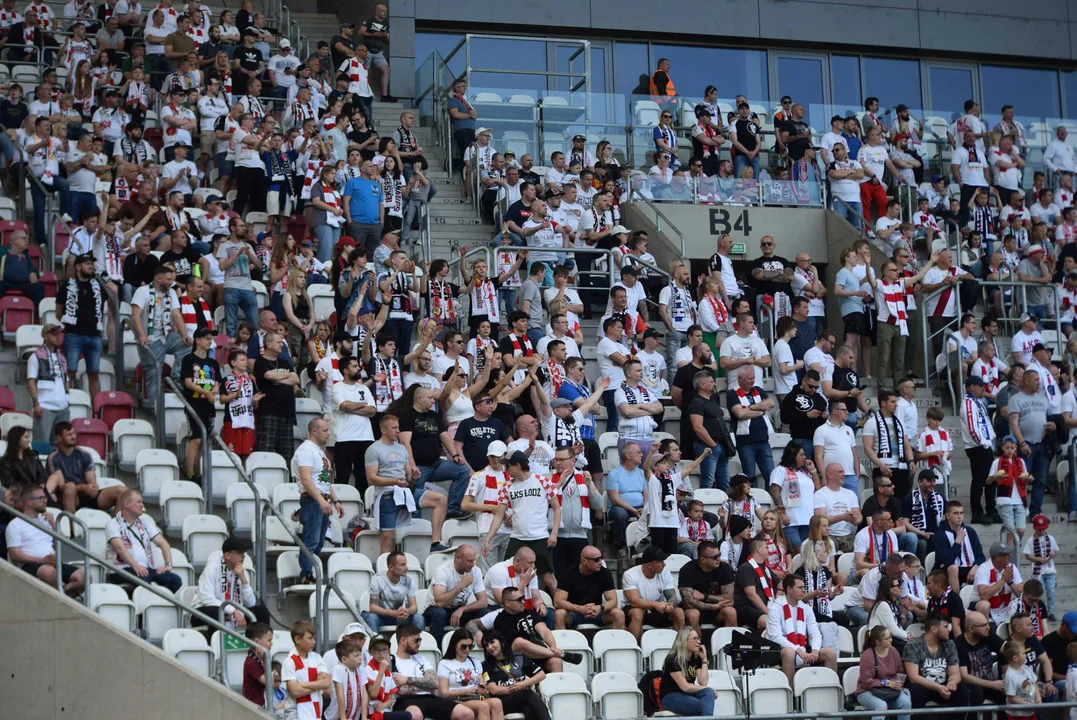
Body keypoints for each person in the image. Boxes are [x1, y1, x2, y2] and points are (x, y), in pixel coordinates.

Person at [366, 414, 450, 555]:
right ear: (383, 430)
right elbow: (371, 479)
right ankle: (384, 570)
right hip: (387, 494)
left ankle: (435, 543)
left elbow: (409, 477)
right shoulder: (374, 449)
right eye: (394, 428)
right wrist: (393, 482)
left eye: (398, 427)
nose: (398, 431)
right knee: (387, 538)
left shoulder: (401, 448)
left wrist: (413, 476)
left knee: (440, 499)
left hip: (404, 491)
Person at [482, 451, 560, 595]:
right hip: (517, 538)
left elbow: (556, 508)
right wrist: (488, 539)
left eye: (508, 466)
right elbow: (499, 515)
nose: (506, 469)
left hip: (540, 538)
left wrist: (554, 533)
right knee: (509, 575)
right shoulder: (507, 487)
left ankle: (563, 608)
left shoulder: (543, 481)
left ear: (518, 465)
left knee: (549, 578)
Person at [5, 485, 86, 595]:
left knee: (84, 576)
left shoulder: (47, 521)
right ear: (29, 502)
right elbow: (14, 554)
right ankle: (62, 596)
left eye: (45, 498)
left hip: (53, 562)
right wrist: (40, 560)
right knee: (48, 572)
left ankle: (64, 594)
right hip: (30, 565)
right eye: (41, 498)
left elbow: (65, 547)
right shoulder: (15, 524)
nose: (45, 501)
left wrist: (53, 525)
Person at [291, 418, 344, 584]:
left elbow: (324, 482)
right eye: (325, 430)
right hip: (313, 500)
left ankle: (309, 572)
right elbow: (306, 480)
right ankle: (306, 574)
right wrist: (321, 501)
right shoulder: (306, 450)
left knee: (319, 541)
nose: (328, 434)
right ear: (314, 431)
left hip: (321, 499)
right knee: (311, 540)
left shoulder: (318, 452)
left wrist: (336, 501)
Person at [104, 488, 182, 592]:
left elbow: (163, 543)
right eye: (139, 502)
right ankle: (148, 603)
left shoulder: (145, 523)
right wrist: (136, 566)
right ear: (127, 504)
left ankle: (156, 602)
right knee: (144, 578)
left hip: (144, 569)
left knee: (175, 580)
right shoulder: (113, 524)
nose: (142, 505)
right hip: (120, 570)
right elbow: (119, 548)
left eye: (142, 502)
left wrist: (168, 565)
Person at [132, 263, 189, 402]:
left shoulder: (171, 293)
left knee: (188, 346)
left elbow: (176, 314)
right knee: (154, 372)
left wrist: (184, 335)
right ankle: (155, 408)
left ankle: (176, 378)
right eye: (169, 279)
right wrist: (142, 336)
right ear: (159, 279)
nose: (172, 282)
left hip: (166, 335)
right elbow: (135, 315)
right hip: (150, 339)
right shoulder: (143, 291)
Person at [391, 625, 472, 720]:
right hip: (405, 700)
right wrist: (425, 684)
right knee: (415, 715)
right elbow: (401, 690)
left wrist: (407, 680)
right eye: (416, 640)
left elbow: (435, 683)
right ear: (403, 641)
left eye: (420, 640)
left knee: (467, 713)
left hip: (430, 698)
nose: (419, 643)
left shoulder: (422, 659)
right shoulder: (392, 660)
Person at [193, 535, 271, 626]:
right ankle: (217, 640)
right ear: (227, 555)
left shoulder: (242, 571)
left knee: (261, 612)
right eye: (240, 553)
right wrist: (232, 610)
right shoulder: (212, 567)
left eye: (244, 554)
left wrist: (244, 581)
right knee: (218, 612)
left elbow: (251, 603)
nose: (243, 557)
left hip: (232, 610)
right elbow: (206, 599)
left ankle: (258, 640)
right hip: (202, 611)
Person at [50, 421, 124, 514]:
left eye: (74, 433)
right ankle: (71, 527)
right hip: (69, 497)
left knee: (122, 491)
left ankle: (115, 526)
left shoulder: (85, 454)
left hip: (87, 494)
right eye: (69, 434)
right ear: (59, 438)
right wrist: (82, 488)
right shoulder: (54, 458)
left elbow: (92, 482)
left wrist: (93, 488)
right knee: (70, 487)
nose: (73, 437)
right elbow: (61, 487)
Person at [901, 613, 970, 711]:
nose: (949, 630)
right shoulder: (913, 645)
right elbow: (913, 677)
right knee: (916, 691)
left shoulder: (949, 644)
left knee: (962, 690)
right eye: (945, 627)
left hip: (943, 686)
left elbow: (955, 673)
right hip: (923, 687)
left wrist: (952, 682)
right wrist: (937, 687)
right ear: (934, 629)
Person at [479, 630, 551, 720]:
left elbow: (541, 674)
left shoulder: (518, 657)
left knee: (529, 709)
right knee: (528, 694)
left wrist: (524, 684)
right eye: (486, 645)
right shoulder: (485, 665)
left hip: (523, 699)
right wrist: (516, 688)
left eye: (492, 642)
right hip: (502, 702)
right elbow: (494, 690)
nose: (490, 647)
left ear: (501, 641)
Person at [425, 544, 489, 642]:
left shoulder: (476, 571)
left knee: (485, 613)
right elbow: (439, 603)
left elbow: (483, 602)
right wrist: (461, 586)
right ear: (458, 558)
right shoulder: (443, 571)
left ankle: (485, 647)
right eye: (469, 561)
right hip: (436, 609)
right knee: (439, 614)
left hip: (459, 610)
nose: (473, 564)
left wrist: (462, 609)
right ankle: (438, 649)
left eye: (474, 560)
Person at [623, 545, 685, 641]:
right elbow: (634, 601)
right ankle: (635, 649)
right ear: (649, 565)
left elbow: (672, 596)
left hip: (658, 608)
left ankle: (676, 649)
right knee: (637, 613)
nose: (664, 565)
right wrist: (655, 604)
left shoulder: (665, 573)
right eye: (660, 562)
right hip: (636, 608)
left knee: (679, 612)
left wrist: (671, 605)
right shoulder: (630, 574)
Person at [727, 366, 777, 482]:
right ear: (740, 379)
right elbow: (740, 414)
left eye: (753, 378)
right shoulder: (732, 394)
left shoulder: (758, 390)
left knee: (770, 475)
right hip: (745, 442)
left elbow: (771, 403)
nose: (752, 381)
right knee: (749, 477)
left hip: (763, 440)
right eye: (749, 378)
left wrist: (750, 407)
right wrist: (761, 411)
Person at [769, 442, 820, 549]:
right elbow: (775, 491)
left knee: (807, 551)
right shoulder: (780, 470)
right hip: (790, 520)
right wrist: (781, 513)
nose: (804, 457)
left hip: (807, 520)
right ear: (793, 455)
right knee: (796, 549)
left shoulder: (805, 473)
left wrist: (813, 470)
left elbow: (818, 489)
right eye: (801, 455)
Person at [26, 323, 70, 445]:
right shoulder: (35, 357)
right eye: (53, 334)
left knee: (62, 446)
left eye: (59, 334)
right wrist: (36, 404)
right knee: (42, 444)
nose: (57, 337)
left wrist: (67, 399)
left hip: (63, 407)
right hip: (45, 406)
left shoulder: (61, 358)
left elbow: (66, 380)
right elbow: (31, 381)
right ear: (45, 337)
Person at [857, 625, 912, 720]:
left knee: (906, 703)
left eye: (891, 637)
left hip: (890, 691)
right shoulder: (867, 656)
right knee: (881, 705)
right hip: (867, 691)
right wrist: (887, 683)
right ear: (878, 642)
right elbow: (866, 682)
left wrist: (897, 683)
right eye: (887, 638)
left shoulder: (893, 651)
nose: (891, 640)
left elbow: (899, 673)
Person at [658, 627, 717, 716]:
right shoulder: (672, 659)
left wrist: (704, 659)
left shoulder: (696, 658)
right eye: (695, 639)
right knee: (700, 705)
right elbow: (685, 687)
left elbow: (703, 682)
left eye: (698, 638)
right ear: (684, 642)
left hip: (688, 695)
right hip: (671, 697)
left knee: (707, 692)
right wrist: (710, 689)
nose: (699, 642)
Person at [364, 550, 424, 633]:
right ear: (391, 567)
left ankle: (418, 643)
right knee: (371, 617)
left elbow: (414, 607)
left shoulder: (408, 581)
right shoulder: (377, 579)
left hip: (398, 617)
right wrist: (393, 613)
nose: (407, 567)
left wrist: (405, 611)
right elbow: (372, 607)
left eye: (406, 564)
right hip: (381, 617)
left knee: (418, 618)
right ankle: (375, 644)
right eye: (403, 564)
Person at [605, 442, 647, 550]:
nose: (642, 455)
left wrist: (645, 509)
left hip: (640, 507)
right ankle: (622, 547)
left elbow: (647, 495)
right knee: (620, 514)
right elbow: (615, 499)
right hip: (620, 507)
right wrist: (634, 510)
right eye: (638, 452)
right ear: (628, 456)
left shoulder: (642, 473)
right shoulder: (614, 474)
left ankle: (647, 545)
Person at [814, 462, 862, 553]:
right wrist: (842, 517)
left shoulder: (850, 494)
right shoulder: (820, 494)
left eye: (843, 472)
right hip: (828, 536)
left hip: (849, 536)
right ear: (830, 475)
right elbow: (820, 519)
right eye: (840, 472)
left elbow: (859, 517)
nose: (843, 474)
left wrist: (854, 519)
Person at [734, 538, 777, 632]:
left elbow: (780, 583)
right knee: (769, 622)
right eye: (766, 547)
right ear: (758, 549)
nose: (769, 550)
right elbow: (751, 595)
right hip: (747, 608)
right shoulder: (746, 568)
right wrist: (769, 612)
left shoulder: (766, 569)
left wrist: (779, 594)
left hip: (764, 608)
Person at [1024, 514, 1058, 622]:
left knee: (1051, 591)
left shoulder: (1051, 538)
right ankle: (1040, 611)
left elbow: (1054, 551)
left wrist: (1052, 555)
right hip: (1038, 571)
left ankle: (1051, 611)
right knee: (1039, 591)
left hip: (1050, 569)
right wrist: (1039, 559)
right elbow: (1027, 555)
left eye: (1043, 529)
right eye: (1039, 530)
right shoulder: (1030, 540)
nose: (1042, 531)